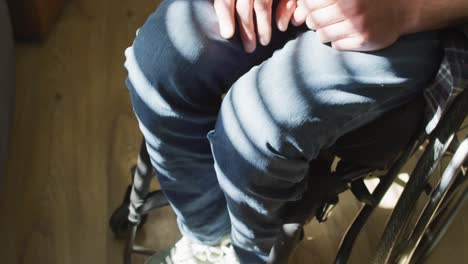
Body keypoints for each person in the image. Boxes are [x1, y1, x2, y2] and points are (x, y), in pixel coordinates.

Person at [123, 0, 468, 263]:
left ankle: (250, 252)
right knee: (159, 63)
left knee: (260, 122)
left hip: (426, 21)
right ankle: (210, 239)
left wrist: (406, 10)